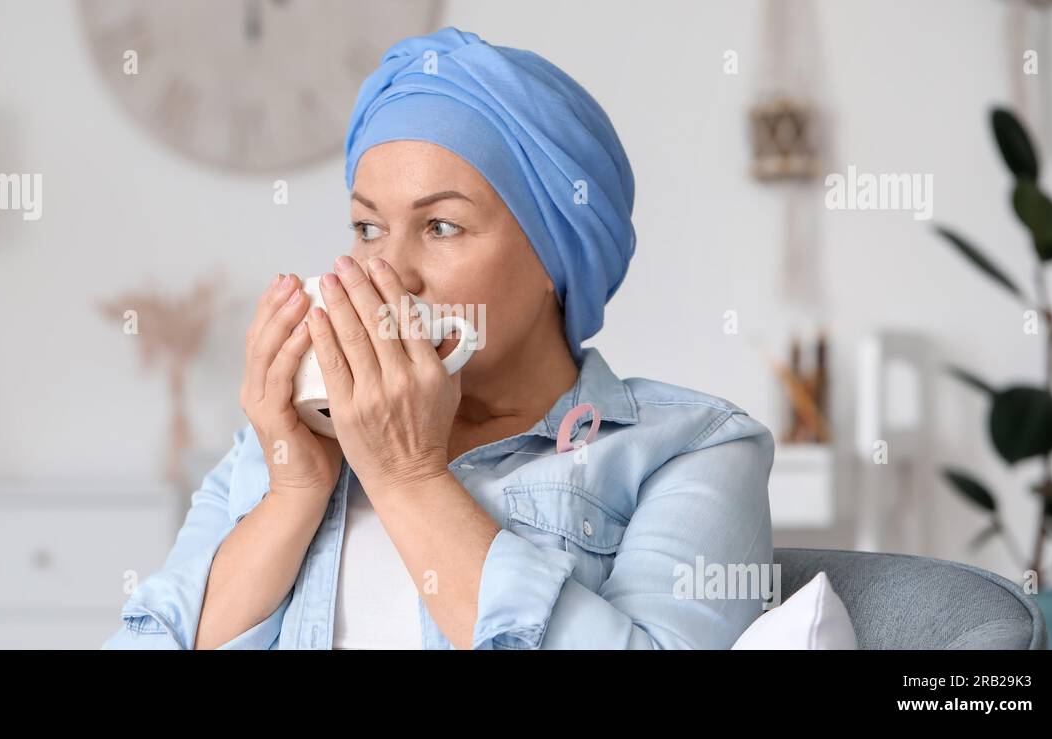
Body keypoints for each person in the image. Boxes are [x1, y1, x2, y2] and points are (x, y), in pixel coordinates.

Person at [103, 27, 773, 650]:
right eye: (368, 229)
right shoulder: (278, 451)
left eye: (441, 227)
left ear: (556, 256)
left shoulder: (690, 450)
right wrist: (294, 493)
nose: (390, 272)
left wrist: (408, 478)